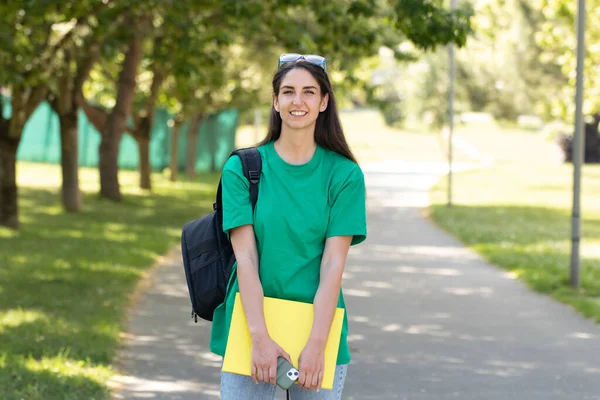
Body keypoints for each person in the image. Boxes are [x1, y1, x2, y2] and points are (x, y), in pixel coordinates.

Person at [210, 53, 368, 400]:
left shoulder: (344, 175)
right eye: (289, 92)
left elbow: (333, 265)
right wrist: (260, 338)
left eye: (309, 92)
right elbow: (246, 259)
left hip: (317, 328)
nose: (298, 101)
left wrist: (316, 344)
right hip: (251, 327)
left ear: (324, 102)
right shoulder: (243, 169)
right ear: (275, 101)